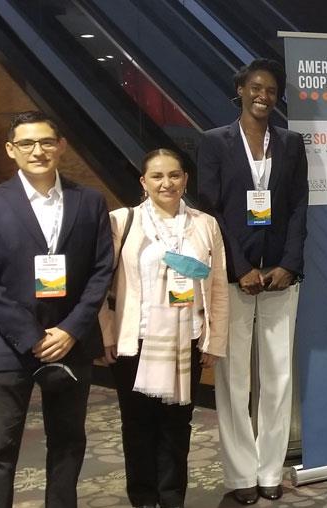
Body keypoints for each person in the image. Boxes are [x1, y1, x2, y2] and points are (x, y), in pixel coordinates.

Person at [0, 111, 113, 507]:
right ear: (11, 150)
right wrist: (32, 337)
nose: (38, 151)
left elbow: (102, 271)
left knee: (68, 444)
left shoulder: (89, 201)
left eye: (47, 142)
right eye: (27, 143)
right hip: (8, 344)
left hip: (72, 342)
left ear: (61, 146)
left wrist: (70, 330)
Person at [196, 58, 308, 505]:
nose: (264, 96)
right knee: (234, 378)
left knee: (279, 376)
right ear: (240, 89)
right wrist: (239, 267)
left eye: (271, 90)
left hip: (281, 275)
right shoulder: (214, 143)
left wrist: (287, 264)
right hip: (233, 276)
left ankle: (269, 470)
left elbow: (300, 206)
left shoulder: (292, 143)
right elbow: (210, 210)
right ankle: (241, 473)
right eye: (256, 88)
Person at [99, 149, 229, 508]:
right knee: (137, 426)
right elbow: (100, 286)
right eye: (157, 176)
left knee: (176, 426)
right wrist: (106, 334)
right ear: (144, 182)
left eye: (174, 175)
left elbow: (217, 285)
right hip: (135, 341)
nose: (166, 183)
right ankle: (142, 498)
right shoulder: (121, 222)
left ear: (185, 179)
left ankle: (172, 498)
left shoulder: (205, 224)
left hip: (186, 339)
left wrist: (214, 339)